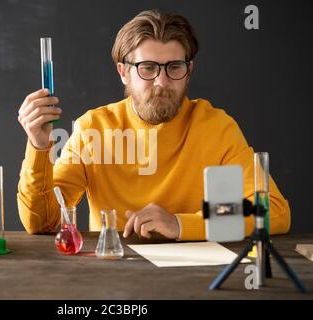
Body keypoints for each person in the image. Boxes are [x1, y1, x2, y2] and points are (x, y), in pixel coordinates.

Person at [16, 9, 290, 241]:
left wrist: (181, 224)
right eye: (147, 68)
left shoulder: (216, 127)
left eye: (174, 67)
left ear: (189, 70)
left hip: (198, 274)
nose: (161, 82)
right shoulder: (93, 128)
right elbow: (44, 222)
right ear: (124, 72)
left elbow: (273, 211)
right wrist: (39, 146)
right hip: (109, 273)